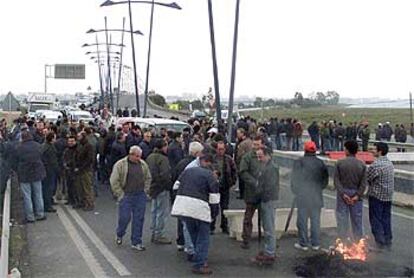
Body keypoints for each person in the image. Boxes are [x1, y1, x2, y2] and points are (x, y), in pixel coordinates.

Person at [171, 154, 220, 275]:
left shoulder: (188, 171)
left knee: (193, 234)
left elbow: (175, 186)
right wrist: (213, 215)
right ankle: (200, 264)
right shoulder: (210, 176)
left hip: (183, 206)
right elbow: (214, 199)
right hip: (200, 208)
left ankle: (197, 257)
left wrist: (179, 199)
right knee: (203, 237)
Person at [111, 146, 152, 251]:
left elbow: (148, 178)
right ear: (131, 154)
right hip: (127, 195)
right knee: (125, 218)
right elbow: (114, 180)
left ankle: (136, 241)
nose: (139, 158)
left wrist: (145, 190)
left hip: (140, 195)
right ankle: (120, 233)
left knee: (139, 219)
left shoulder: (143, 164)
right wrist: (120, 194)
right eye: (137, 156)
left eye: (140, 156)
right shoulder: (120, 164)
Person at [291, 141, 329, 251]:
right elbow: (325, 180)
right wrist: (318, 188)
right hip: (316, 196)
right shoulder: (321, 163)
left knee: (302, 220)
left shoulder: (299, 162)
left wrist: (296, 191)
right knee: (315, 221)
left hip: (302, 195)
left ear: (305, 150)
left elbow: (294, 179)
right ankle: (315, 243)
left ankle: (303, 243)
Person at [172, 142, 204, 253]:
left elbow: (175, 178)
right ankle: (190, 246)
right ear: (196, 153)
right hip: (191, 196)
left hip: (180, 195)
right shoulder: (195, 165)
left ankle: (181, 241)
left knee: (182, 220)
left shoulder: (181, 163)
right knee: (190, 222)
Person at [239, 136, 270, 249]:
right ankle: (246, 239)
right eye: (254, 144)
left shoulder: (267, 155)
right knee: (248, 218)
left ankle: (267, 239)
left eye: (258, 145)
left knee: (266, 217)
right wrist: (254, 182)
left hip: (264, 193)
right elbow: (243, 172)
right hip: (251, 192)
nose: (255, 147)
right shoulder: (247, 157)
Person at [334, 140, 367, 240]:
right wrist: (358, 195)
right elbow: (363, 183)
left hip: (343, 193)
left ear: (347, 150)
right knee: (357, 219)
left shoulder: (340, 163)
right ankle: (358, 240)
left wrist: (343, 194)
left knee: (342, 218)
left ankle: (342, 239)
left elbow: (336, 180)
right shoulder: (362, 164)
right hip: (356, 194)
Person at [13, 131, 46, 223]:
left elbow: (15, 161)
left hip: (24, 173)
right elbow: (42, 157)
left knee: (27, 195)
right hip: (37, 172)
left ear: (22, 138)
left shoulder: (19, 148)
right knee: (38, 193)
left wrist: (17, 170)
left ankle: (30, 216)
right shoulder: (38, 145)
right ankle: (40, 213)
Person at [367, 142, 394, 250]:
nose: (372, 150)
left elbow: (368, 179)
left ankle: (379, 242)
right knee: (386, 218)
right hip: (388, 196)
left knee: (376, 219)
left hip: (376, 196)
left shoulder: (375, 165)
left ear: (380, 151)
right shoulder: (390, 164)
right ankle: (388, 239)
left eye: (374, 149)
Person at [147, 139, 172, 244]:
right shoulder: (163, 159)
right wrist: (168, 185)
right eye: (166, 146)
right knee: (161, 212)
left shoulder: (150, 157)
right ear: (162, 147)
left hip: (152, 187)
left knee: (154, 211)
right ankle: (159, 234)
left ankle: (153, 232)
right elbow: (165, 175)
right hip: (161, 188)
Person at [211, 141, 237, 234]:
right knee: (214, 207)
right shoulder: (212, 159)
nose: (220, 151)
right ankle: (212, 226)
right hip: (214, 187)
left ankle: (224, 225)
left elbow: (234, 170)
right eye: (219, 149)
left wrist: (232, 182)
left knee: (225, 207)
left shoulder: (228, 159)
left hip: (225, 186)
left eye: (222, 149)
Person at [76, 131, 95, 211]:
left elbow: (89, 159)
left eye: (79, 136)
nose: (78, 138)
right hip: (81, 169)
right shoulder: (81, 145)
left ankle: (89, 204)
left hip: (86, 169)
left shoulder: (88, 146)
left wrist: (82, 167)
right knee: (81, 187)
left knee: (87, 187)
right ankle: (83, 202)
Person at [41, 131, 59, 213]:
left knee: (46, 188)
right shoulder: (50, 148)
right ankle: (48, 205)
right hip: (50, 170)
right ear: (52, 139)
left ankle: (48, 202)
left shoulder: (44, 146)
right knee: (49, 188)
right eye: (54, 137)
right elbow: (53, 161)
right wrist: (57, 169)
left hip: (45, 170)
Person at [234, 128, 252, 200]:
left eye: (238, 133)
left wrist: (237, 162)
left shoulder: (242, 144)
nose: (237, 135)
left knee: (242, 180)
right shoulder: (250, 141)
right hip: (249, 163)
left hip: (242, 163)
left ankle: (242, 194)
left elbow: (239, 155)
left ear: (242, 134)